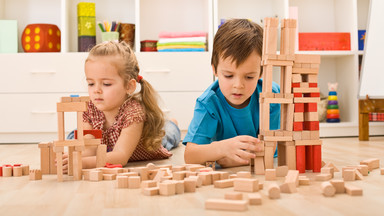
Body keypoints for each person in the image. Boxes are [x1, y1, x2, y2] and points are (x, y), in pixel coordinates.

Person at [64, 41, 180, 171]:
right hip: (107, 149)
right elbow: (90, 148)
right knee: (74, 136)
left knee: (167, 136)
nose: (96, 90)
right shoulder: (89, 108)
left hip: (147, 144)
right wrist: (75, 157)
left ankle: (172, 124)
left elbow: (120, 156)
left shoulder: (133, 113)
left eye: (106, 84)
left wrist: (83, 163)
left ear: (129, 86)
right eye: (91, 83)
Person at [183, 19, 280, 168]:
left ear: (261, 72)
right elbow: (190, 155)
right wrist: (222, 149)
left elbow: (269, 150)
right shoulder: (208, 103)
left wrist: (233, 159)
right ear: (215, 70)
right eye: (228, 75)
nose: (238, 85)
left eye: (249, 77)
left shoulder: (271, 96)